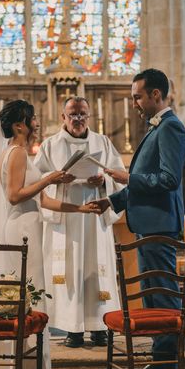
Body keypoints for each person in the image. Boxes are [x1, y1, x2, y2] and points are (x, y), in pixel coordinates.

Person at [0, 100, 99, 369]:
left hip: (30, 228)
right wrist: (50, 178)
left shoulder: (23, 154)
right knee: (26, 298)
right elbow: (15, 195)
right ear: (19, 125)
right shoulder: (15, 153)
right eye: (31, 118)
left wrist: (80, 208)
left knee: (31, 297)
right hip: (20, 231)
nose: (36, 122)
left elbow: (43, 201)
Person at [93, 68, 185, 369]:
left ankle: (168, 368)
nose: (134, 102)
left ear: (155, 95)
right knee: (153, 297)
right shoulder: (157, 129)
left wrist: (128, 177)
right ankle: (161, 364)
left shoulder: (171, 127)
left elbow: (168, 180)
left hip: (160, 225)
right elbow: (148, 184)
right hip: (150, 225)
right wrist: (113, 201)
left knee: (162, 296)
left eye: (137, 96)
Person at [34, 96, 124, 348]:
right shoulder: (50, 145)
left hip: (95, 215)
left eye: (82, 114)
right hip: (67, 219)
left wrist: (104, 181)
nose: (78, 119)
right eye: (73, 114)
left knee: (96, 268)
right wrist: (55, 179)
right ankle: (73, 329)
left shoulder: (102, 142)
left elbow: (118, 174)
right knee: (72, 270)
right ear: (63, 117)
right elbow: (36, 179)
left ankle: (99, 327)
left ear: (89, 116)